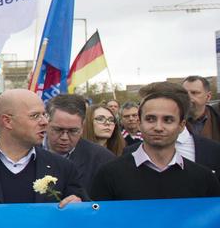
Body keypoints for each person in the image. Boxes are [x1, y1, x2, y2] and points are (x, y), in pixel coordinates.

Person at [0, 89, 84, 215]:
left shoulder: (62, 167)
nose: (44, 122)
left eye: (44, 115)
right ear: (7, 121)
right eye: (35, 116)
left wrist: (79, 206)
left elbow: (86, 216)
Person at [91, 85, 220, 200]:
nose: (158, 127)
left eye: (168, 120)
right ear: (139, 123)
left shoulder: (204, 179)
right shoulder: (109, 175)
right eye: (150, 119)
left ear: (181, 125)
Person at [43, 94, 116, 197]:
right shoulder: (26, 152)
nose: (64, 137)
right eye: (58, 129)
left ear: (83, 126)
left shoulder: (103, 159)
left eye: (73, 131)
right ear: (46, 122)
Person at [183, 76, 220, 142]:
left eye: (194, 93)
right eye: (184, 93)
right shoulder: (173, 121)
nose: (188, 98)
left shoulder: (216, 117)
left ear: (208, 97)